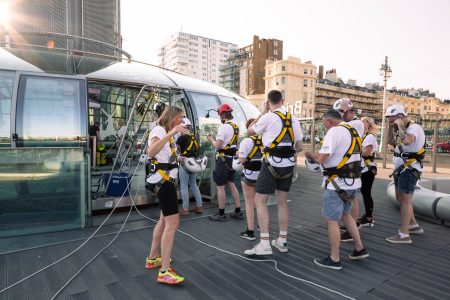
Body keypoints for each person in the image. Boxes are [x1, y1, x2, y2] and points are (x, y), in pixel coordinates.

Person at [305, 109, 369, 270]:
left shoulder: (334, 132)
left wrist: (309, 155)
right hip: (353, 182)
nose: (324, 126)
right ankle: (360, 248)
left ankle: (334, 258)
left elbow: (321, 158)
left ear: (329, 121)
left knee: (332, 220)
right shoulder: (353, 131)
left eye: (324, 123)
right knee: (346, 215)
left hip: (337, 184)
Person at [244, 90, 303, 255]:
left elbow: (249, 131)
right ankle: (282, 241)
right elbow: (299, 147)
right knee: (282, 202)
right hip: (288, 165)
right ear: (282, 101)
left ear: (268, 102)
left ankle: (264, 244)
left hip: (270, 164)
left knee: (260, 201)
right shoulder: (294, 119)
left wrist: (262, 112)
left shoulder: (267, 117)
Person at [144, 106, 188, 284]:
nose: (182, 121)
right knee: (172, 222)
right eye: (180, 118)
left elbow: (164, 156)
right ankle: (164, 271)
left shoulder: (165, 132)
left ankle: (153, 258)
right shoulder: (159, 129)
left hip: (166, 181)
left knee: (163, 220)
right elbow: (151, 151)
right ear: (172, 117)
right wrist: (172, 133)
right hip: (163, 184)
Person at [385, 104, 425, 244]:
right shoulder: (399, 128)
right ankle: (413, 225)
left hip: (409, 169)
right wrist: (392, 127)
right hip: (401, 168)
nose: (390, 122)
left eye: (391, 119)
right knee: (400, 197)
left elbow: (408, 141)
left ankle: (404, 234)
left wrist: (400, 126)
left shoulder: (414, 128)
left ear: (400, 116)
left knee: (405, 200)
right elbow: (390, 142)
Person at [333, 98, 364, 242]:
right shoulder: (351, 123)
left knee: (353, 200)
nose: (339, 115)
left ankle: (353, 226)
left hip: (353, 166)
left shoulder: (357, 123)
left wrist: (343, 112)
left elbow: (342, 125)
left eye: (342, 112)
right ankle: (350, 225)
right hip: (350, 165)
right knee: (351, 199)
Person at [207, 103, 242, 221]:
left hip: (223, 160)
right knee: (231, 184)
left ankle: (221, 214)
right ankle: (238, 211)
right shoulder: (236, 126)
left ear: (222, 115)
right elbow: (232, 144)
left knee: (220, 187)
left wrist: (211, 139)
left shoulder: (224, 127)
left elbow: (217, 145)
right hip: (232, 160)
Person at [238, 118, 263, 240]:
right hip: (262, 174)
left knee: (249, 203)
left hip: (249, 174)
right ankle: (261, 226)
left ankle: (250, 232)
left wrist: (238, 154)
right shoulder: (265, 140)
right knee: (260, 202)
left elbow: (242, 160)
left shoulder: (246, 141)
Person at [177, 118, 204, 216]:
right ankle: (200, 206)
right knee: (193, 185)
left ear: (183, 127)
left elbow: (177, 151)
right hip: (194, 164)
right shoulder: (195, 138)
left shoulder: (181, 138)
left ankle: (185, 208)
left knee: (183, 186)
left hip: (184, 164)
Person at [358, 117, 380, 227]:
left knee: (366, 193)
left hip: (368, 168)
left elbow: (366, 153)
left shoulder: (370, 137)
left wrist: (353, 151)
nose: (361, 123)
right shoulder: (362, 137)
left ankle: (369, 218)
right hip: (363, 168)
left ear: (368, 124)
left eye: (363, 122)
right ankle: (367, 216)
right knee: (364, 192)